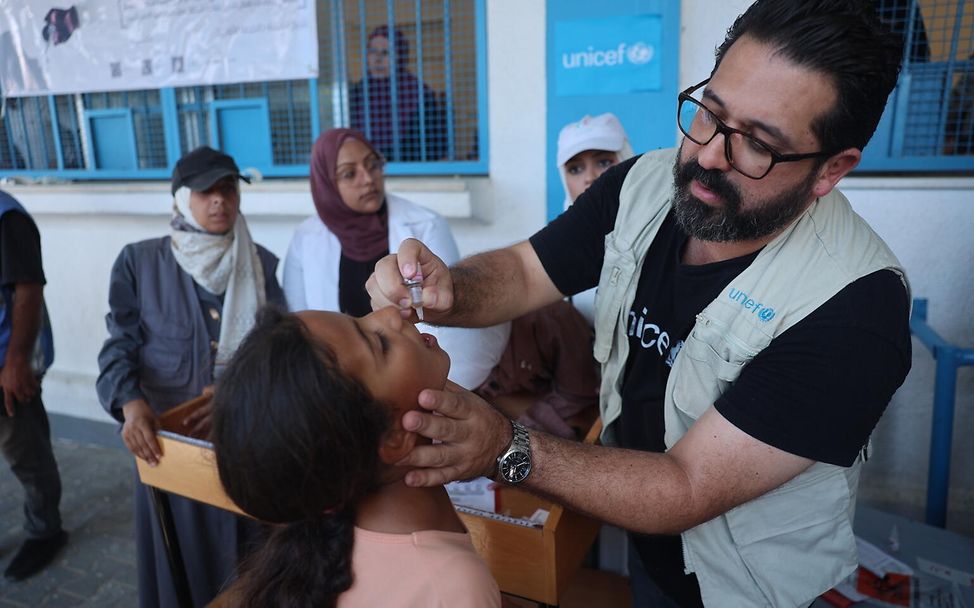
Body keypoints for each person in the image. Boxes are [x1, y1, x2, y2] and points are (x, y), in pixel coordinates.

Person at [367, 2, 912, 607]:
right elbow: (526, 270)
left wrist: (501, 446)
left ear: (830, 170)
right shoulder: (643, 184)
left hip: (745, 585)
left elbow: (685, 487)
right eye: (708, 112)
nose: (708, 154)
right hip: (644, 545)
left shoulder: (856, 311)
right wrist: (451, 288)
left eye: (757, 144)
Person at [210, 306, 501, 607]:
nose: (390, 313)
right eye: (381, 344)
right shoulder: (453, 586)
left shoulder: (319, 552)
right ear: (392, 437)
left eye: (356, 317)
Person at [96, 146, 286, 608]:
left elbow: (282, 353)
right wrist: (130, 402)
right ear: (181, 199)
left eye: (227, 188)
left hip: (246, 444)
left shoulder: (263, 264)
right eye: (205, 191)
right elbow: (119, 345)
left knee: (249, 566)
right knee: (180, 563)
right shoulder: (139, 263)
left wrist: (243, 389)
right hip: (168, 448)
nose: (219, 200)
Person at [283, 127, 507, 390]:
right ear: (326, 184)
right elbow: (302, 323)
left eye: (372, 165)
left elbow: (445, 320)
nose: (368, 179)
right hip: (341, 387)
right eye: (349, 174)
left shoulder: (425, 225)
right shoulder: (305, 238)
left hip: (414, 379)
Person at [0, 189, 66, 581]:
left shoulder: (8, 218)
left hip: (8, 364)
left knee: (26, 453)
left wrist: (17, 363)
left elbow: (28, 291)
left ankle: (46, 531)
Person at [348, 25, 448, 162]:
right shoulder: (357, 93)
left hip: (410, 171)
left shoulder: (418, 93)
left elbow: (434, 146)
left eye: (386, 53)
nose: (377, 59)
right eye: (372, 51)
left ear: (400, 56)